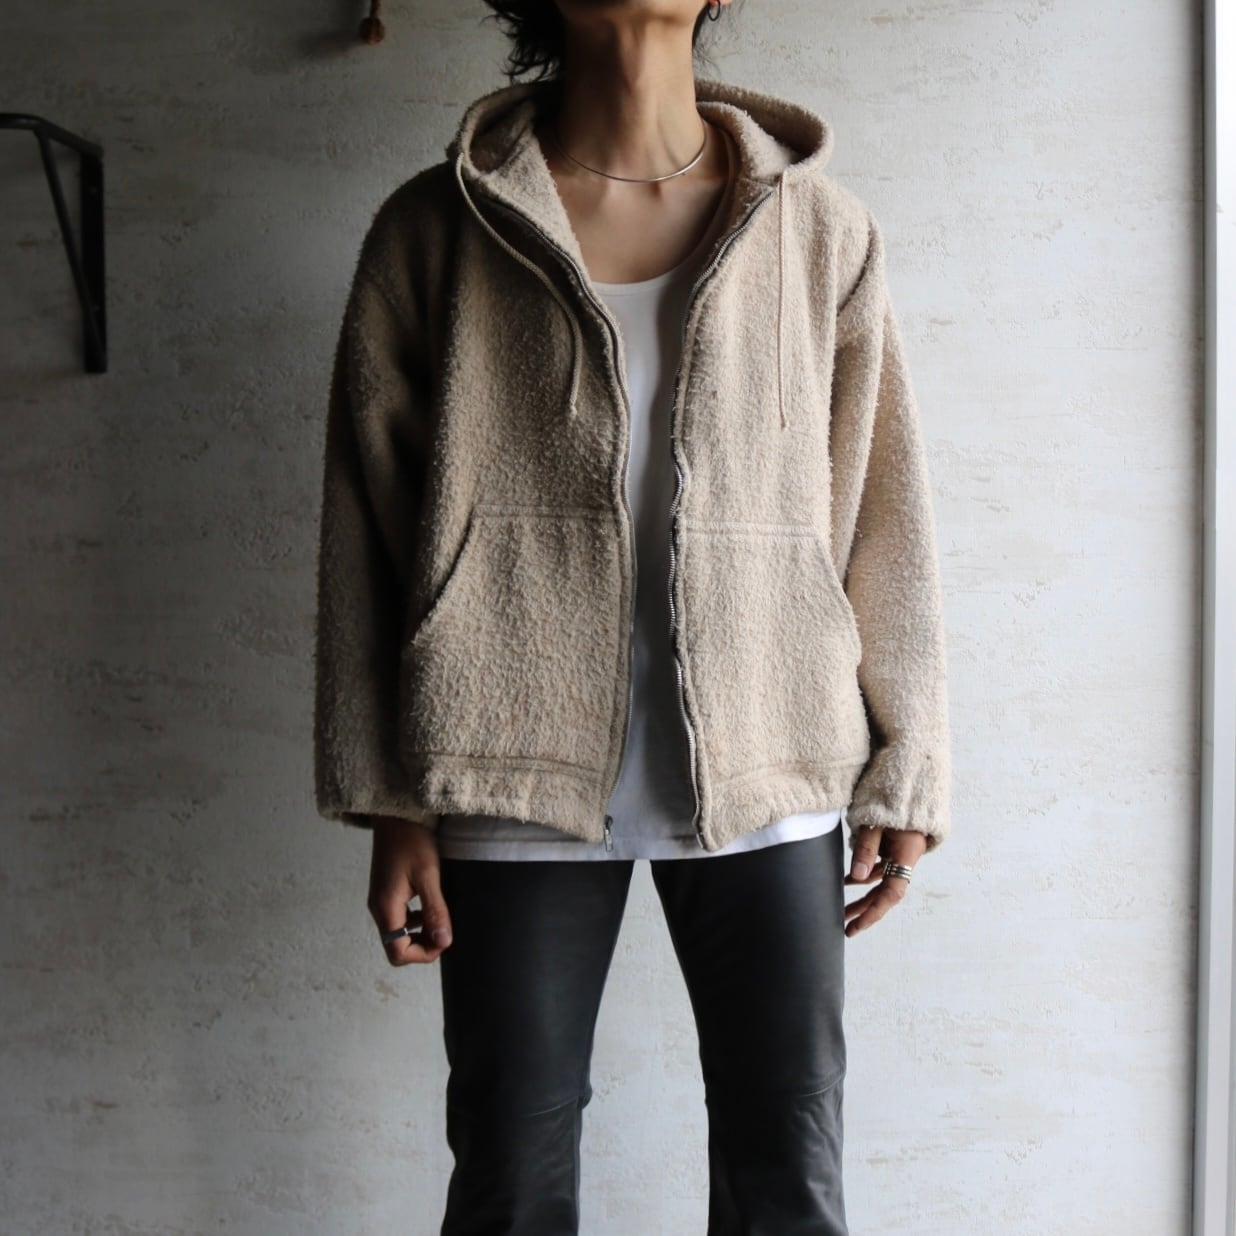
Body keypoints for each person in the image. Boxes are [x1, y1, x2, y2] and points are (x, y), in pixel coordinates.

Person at [313, 2, 952, 1231]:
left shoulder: (820, 230)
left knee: (787, 1180)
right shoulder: (437, 228)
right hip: (506, 761)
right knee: (508, 1178)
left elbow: (885, 510)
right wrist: (388, 796)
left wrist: (908, 762)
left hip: (773, 758)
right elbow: (365, 533)